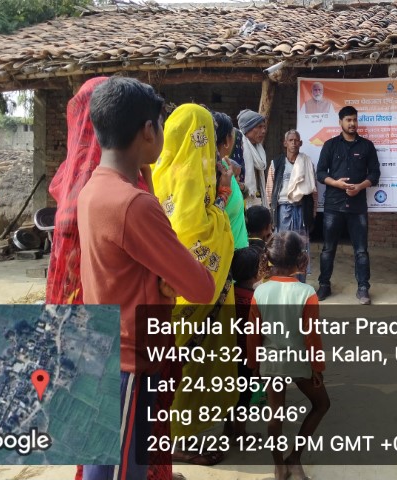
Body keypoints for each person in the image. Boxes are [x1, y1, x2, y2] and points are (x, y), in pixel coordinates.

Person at [77, 77, 215, 480]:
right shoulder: (134, 205)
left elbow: (128, 264)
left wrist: (160, 275)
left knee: (107, 465)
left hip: (103, 347)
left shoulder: (94, 189)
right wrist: (169, 278)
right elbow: (201, 287)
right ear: (149, 130)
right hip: (130, 364)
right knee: (119, 470)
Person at [152, 103, 238, 463]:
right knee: (188, 365)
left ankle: (176, 435)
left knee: (184, 364)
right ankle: (177, 441)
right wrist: (221, 203)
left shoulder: (158, 171)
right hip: (189, 290)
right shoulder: (191, 175)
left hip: (175, 290)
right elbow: (195, 233)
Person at [46, 76, 153, 306]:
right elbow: (155, 247)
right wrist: (147, 176)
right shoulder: (118, 180)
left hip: (72, 296)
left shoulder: (69, 173)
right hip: (117, 301)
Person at [247, 231, 330, 480]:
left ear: (270, 258)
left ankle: (279, 466)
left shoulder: (259, 292)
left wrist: (253, 364)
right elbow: (311, 336)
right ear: (300, 259)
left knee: (275, 415)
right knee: (321, 404)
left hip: (271, 362)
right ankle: (294, 457)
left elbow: (253, 334)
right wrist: (317, 368)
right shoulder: (307, 293)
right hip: (300, 362)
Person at [315, 106, 380, 304]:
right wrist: (337, 184)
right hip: (333, 205)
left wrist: (360, 186)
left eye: (354, 120)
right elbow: (320, 173)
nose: (352, 123)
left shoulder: (367, 146)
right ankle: (324, 285)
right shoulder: (330, 145)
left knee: (361, 250)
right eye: (348, 120)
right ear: (340, 122)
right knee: (328, 249)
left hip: (357, 207)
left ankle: (363, 288)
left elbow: (375, 174)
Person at [269, 129, 316, 282]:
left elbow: (313, 190)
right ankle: (282, 281)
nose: (294, 143)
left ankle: (300, 282)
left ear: (300, 143)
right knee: (282, 246)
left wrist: (313, 212)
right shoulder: (276, 163)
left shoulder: (307, 163)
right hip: (283, 210)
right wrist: (271, 214)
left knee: (301, 246)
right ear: (285, 143)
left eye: (296, 140)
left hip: (301, 210)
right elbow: (270, 190)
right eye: (290, 140)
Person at [229, 246, 264, 441]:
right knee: (244, 395)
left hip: (227, 352)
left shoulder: (228, 294)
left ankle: (228, 429)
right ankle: (240, 433)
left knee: (230, 392)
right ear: (257, 272)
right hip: (246, 356)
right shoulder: (256, 300)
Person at [213, 111, 249, 249]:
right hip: (226, 255)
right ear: (227, 141)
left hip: (236, 250)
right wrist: (224, 191)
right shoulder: (215, 173)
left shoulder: (225, 167)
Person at [237, 109, 269, 208]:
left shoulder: (259, 149)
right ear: (247, 129)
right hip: (241, 201)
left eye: (264, 127)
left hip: (257, 200)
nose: (263, 131)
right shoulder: (238, 148)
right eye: (259, 127)